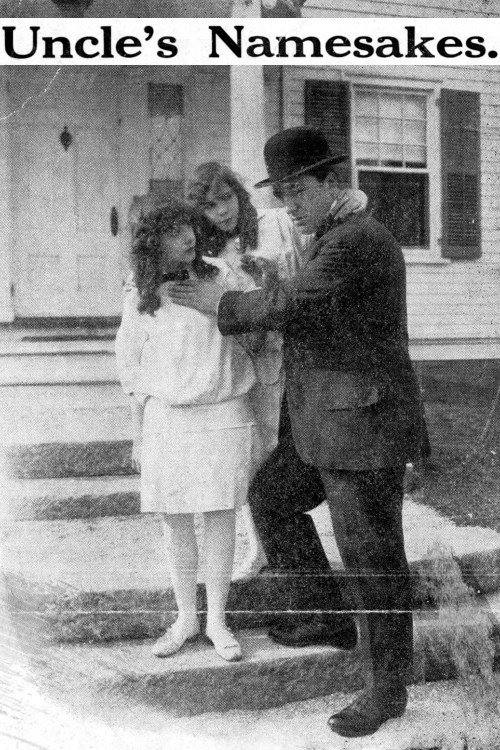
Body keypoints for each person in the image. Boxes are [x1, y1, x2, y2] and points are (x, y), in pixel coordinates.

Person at [168, 127, 428, 738]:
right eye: (281, 194)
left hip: (363, 429)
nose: (288, 206)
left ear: (330, 182)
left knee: (372, 560)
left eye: (297, 191)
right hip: (325, 423)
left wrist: (217, 302)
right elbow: (299, 303)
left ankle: (387, 691)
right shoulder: (329, 237)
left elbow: (290, 305)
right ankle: (327, 616)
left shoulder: (356, 240)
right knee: (272, 497)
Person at [187, 161, 367, 580]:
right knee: (257, 457)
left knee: (297, 452)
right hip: (249, 358)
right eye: (210, 206)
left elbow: (327, 231)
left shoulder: (277, 222)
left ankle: (314, 551)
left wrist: (357, 197)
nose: (222, 211)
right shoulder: (206, 251)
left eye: (227, 198)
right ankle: (260, 549)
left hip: (299, 354)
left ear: (240, 195)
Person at [115, 198, 264, 663]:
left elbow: (257, 336)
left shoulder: (222, 277)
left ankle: (217, 620)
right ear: (152, 241)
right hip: (168, 420)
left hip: (222, 413)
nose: (188, 238)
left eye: (189, 228)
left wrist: (219, 304)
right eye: (174, 232)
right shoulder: (141, 294)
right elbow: (131, 366)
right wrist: (139, 435)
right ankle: (186, 619)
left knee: (220, 516)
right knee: (175, 520)